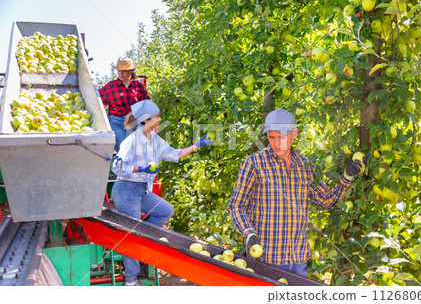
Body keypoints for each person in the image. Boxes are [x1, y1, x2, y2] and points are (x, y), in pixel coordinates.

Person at [227, 109, 366, 278]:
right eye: (272, 137)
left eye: (282, 137)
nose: (276, 143)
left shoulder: (306, 166)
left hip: (298, 261)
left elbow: (326, 200)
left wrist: (348, 175)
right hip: (265, 259)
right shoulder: (254, 164)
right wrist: (249, 232)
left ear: (294, 134)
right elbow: (236, 206)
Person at [111, 99, 214, 286]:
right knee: (131, 235)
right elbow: (116, 166)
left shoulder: (155, 140)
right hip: (126, 188)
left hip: (141, 190)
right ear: (146, 120)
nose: (159, 119)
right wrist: (141, 168)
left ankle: (142, 237)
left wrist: (197, 145)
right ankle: (131, 282)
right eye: (157, 116)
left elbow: (175, 154)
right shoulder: (132, 141)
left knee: (165, 211)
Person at [99, 57, 150, 152]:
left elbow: (147, 104)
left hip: (134, 121)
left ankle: (137, 166)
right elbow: (99, 104)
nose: (120, 73)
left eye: (124, 71)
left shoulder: (139, 86)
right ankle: (125, 165)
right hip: (116, 122)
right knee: (124, 150)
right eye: (119, 71)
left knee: (137, 151)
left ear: (131, 71)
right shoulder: (111, 86)